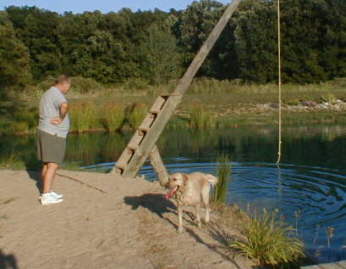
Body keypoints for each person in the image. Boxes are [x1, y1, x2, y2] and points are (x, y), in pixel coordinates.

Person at [37, 75, 71, 205]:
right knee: (53, 164)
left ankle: (48, 191)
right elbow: (64, 105)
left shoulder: (48, 93)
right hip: (53, 133)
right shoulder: (57, 94)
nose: (68, 89)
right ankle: (46, 195)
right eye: (69, 86)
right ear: (64, 84)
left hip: (45, 131)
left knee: (47, 164)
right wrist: (61, 118)